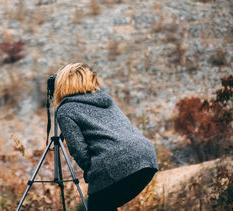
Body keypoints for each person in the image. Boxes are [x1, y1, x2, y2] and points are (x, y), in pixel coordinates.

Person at [54, 63, 158, 211]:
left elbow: (78, 149)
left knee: (98, 206)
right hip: (147, 157)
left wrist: (92, 169)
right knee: (105, 205)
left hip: (114, 164)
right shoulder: (105, 100)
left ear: (62, 84)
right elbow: (126, 127)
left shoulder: (65, 110)